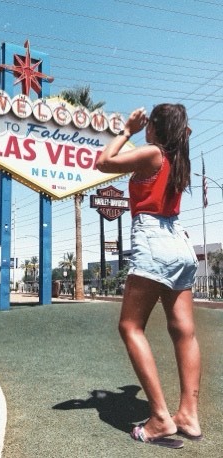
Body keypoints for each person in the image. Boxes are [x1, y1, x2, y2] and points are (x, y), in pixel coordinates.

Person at [96, 104, 202, 449]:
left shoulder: (154, 153)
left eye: (149, 126)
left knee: (130, 326)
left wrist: (126, 130)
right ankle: (188, 414)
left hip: (153, 237)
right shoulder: (179, 158)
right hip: (180, 241)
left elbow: (104, 161)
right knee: (183, 330)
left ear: (154, 128)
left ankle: (159, 418)